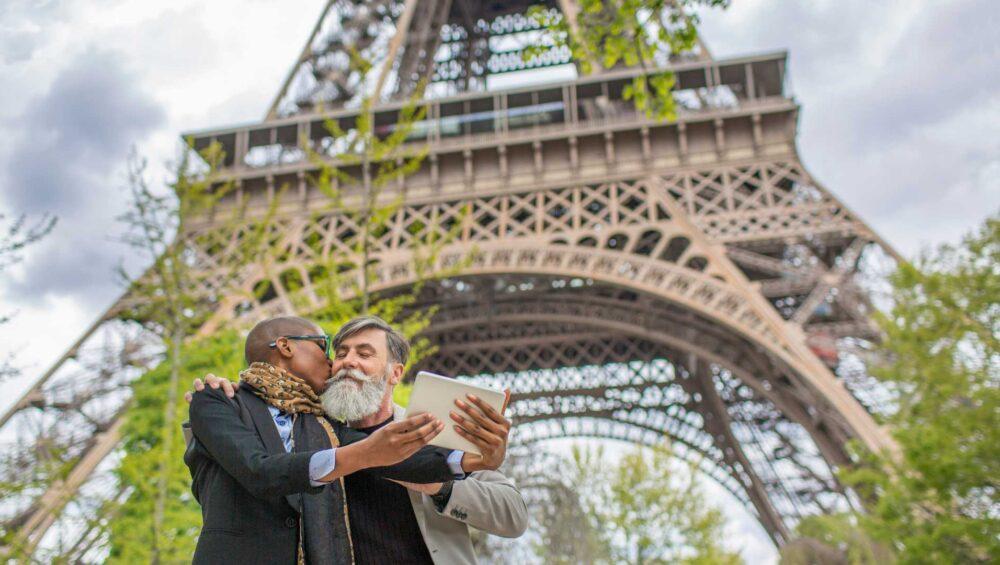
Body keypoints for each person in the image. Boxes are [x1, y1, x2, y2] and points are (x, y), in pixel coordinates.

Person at [193, 315, 528, 564]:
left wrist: (458, 473)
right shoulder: (312, 430)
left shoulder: (433, 430)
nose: (346, 361)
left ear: (395, 373)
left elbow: (513, 516)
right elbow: (249, 466)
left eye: (365, 353)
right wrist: (236, 395)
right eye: (340, 352)